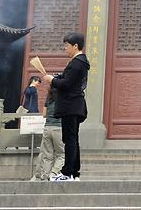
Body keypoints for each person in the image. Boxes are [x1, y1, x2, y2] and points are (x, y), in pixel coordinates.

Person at [44, 32, 90, 182]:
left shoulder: (77, 63)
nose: (65, 49)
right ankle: (74, 172)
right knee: (73, 139)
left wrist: (52, 80)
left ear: (75, 46)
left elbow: (66, 84)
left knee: (69, 139)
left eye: (67, 45)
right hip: (75, 105)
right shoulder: (80, 62)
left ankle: (67, 172)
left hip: (71, 105)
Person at [32, 87, 64, 181]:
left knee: (47, 155)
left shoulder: (48, 98)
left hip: (47, 128)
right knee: (62, 154)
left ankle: (45, 175)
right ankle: (54, 173)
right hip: (59, 128)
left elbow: (44, 114)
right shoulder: (64, 98)